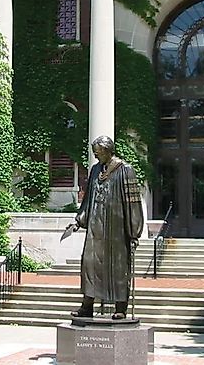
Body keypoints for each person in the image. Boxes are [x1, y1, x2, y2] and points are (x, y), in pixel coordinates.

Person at [68, 135, 144, 320]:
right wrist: (79, 220)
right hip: (96, 228)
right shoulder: (95, 170)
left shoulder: (126, 170)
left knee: (118, 267)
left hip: (117, 230)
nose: (96, 156)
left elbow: (133, 204)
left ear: (109, 151)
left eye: (99, 152)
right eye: (95, 153)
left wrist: (134, 232)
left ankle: (121, 308)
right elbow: (88, 199)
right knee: (89, 264)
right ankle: (87, 305)